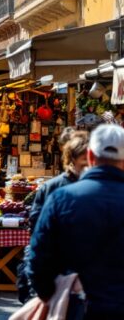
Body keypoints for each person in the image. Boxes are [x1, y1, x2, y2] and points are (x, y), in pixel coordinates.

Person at [27, 124, 124, 318]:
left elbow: (38, 258)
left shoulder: (62, 198)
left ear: (90, 156)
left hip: (77, 306)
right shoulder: (60, 196)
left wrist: (51, 295)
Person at [17, 129, 89, 303]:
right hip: (58, 274)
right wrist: (44, 289)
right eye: (84, 162)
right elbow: (38, 233)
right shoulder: (53, 189)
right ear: (71, 159)